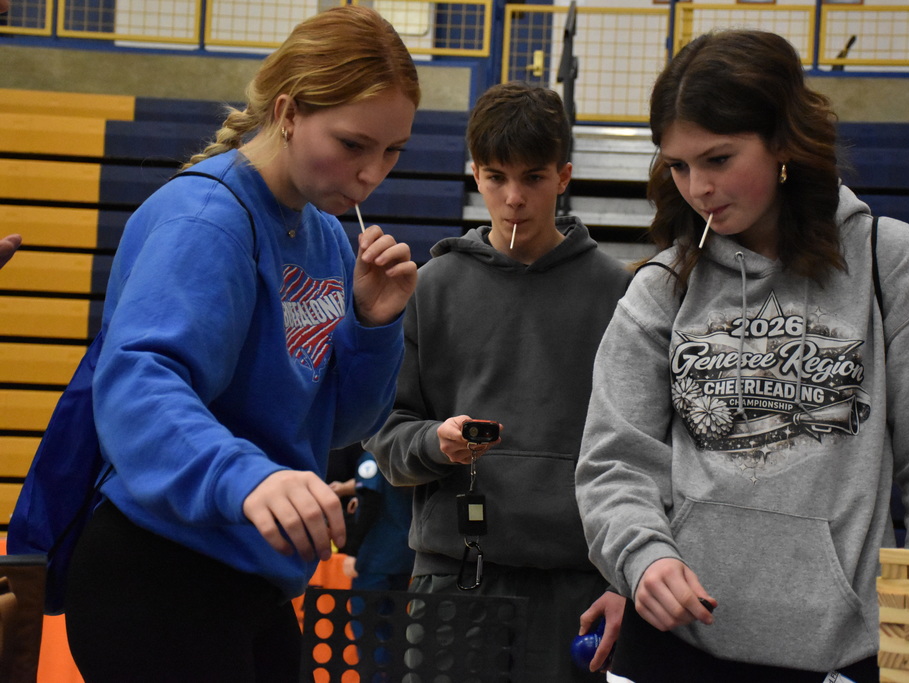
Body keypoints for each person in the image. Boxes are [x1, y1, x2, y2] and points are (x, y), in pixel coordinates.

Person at [575, 29, 909, 683]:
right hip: (674, 651)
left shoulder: (894, 264)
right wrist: (645, 557)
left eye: (718, 158)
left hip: (848, 655)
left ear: (782, 144)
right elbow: (614, 465)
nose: (698, 187)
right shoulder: (661, 288)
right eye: (679, 165)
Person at [62, 7, 420, 681]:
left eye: (393, 150)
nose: (374, 172)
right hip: (159, 570)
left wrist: (372, 328)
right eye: (352, 144)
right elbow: (138, 387)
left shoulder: (320, 233)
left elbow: (335, 421)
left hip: (247, 575)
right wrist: (249, 477)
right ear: (287, 111)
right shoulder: (208, 219)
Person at [364, 81, 632, 681]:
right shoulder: (430, 287)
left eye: (533, 178)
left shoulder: (618, 292)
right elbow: (386, 433)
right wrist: (436, 443)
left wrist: (622, 575)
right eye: (496, 177)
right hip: (454, 574)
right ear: (474, 175)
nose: (513, 198)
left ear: (563, 176)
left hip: (579, 581)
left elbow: (643, 450)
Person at [328, 444, 415, 591]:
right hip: (404, 555)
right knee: (397, 611)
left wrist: (353, 552)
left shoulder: (372, 457)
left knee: (366, 611)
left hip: (375, 556)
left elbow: (371, 504)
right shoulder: (404, 457)